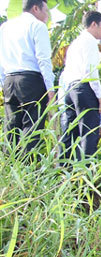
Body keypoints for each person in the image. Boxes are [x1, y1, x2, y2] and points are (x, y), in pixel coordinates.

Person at [0, 0, 55, 152]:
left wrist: (3, 82)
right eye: (46, 11)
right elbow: (43, 59)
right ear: (36, 8)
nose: (47, 15)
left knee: (11, 126)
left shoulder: (5, 27)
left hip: (9, 80)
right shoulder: (37, 26)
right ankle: (29, 168)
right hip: (31, 80)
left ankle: (11, 168)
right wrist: (50, 88)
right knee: (32, 125)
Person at [61, 10, 101, 159]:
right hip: (84, 87)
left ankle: (63, 169)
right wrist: (100, 96)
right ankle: (85, 172)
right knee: (89, 131)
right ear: (94, 24)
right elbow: (90, 71)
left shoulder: (75, 42)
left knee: (69, 132)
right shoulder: (90, 41)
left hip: (70, 88)